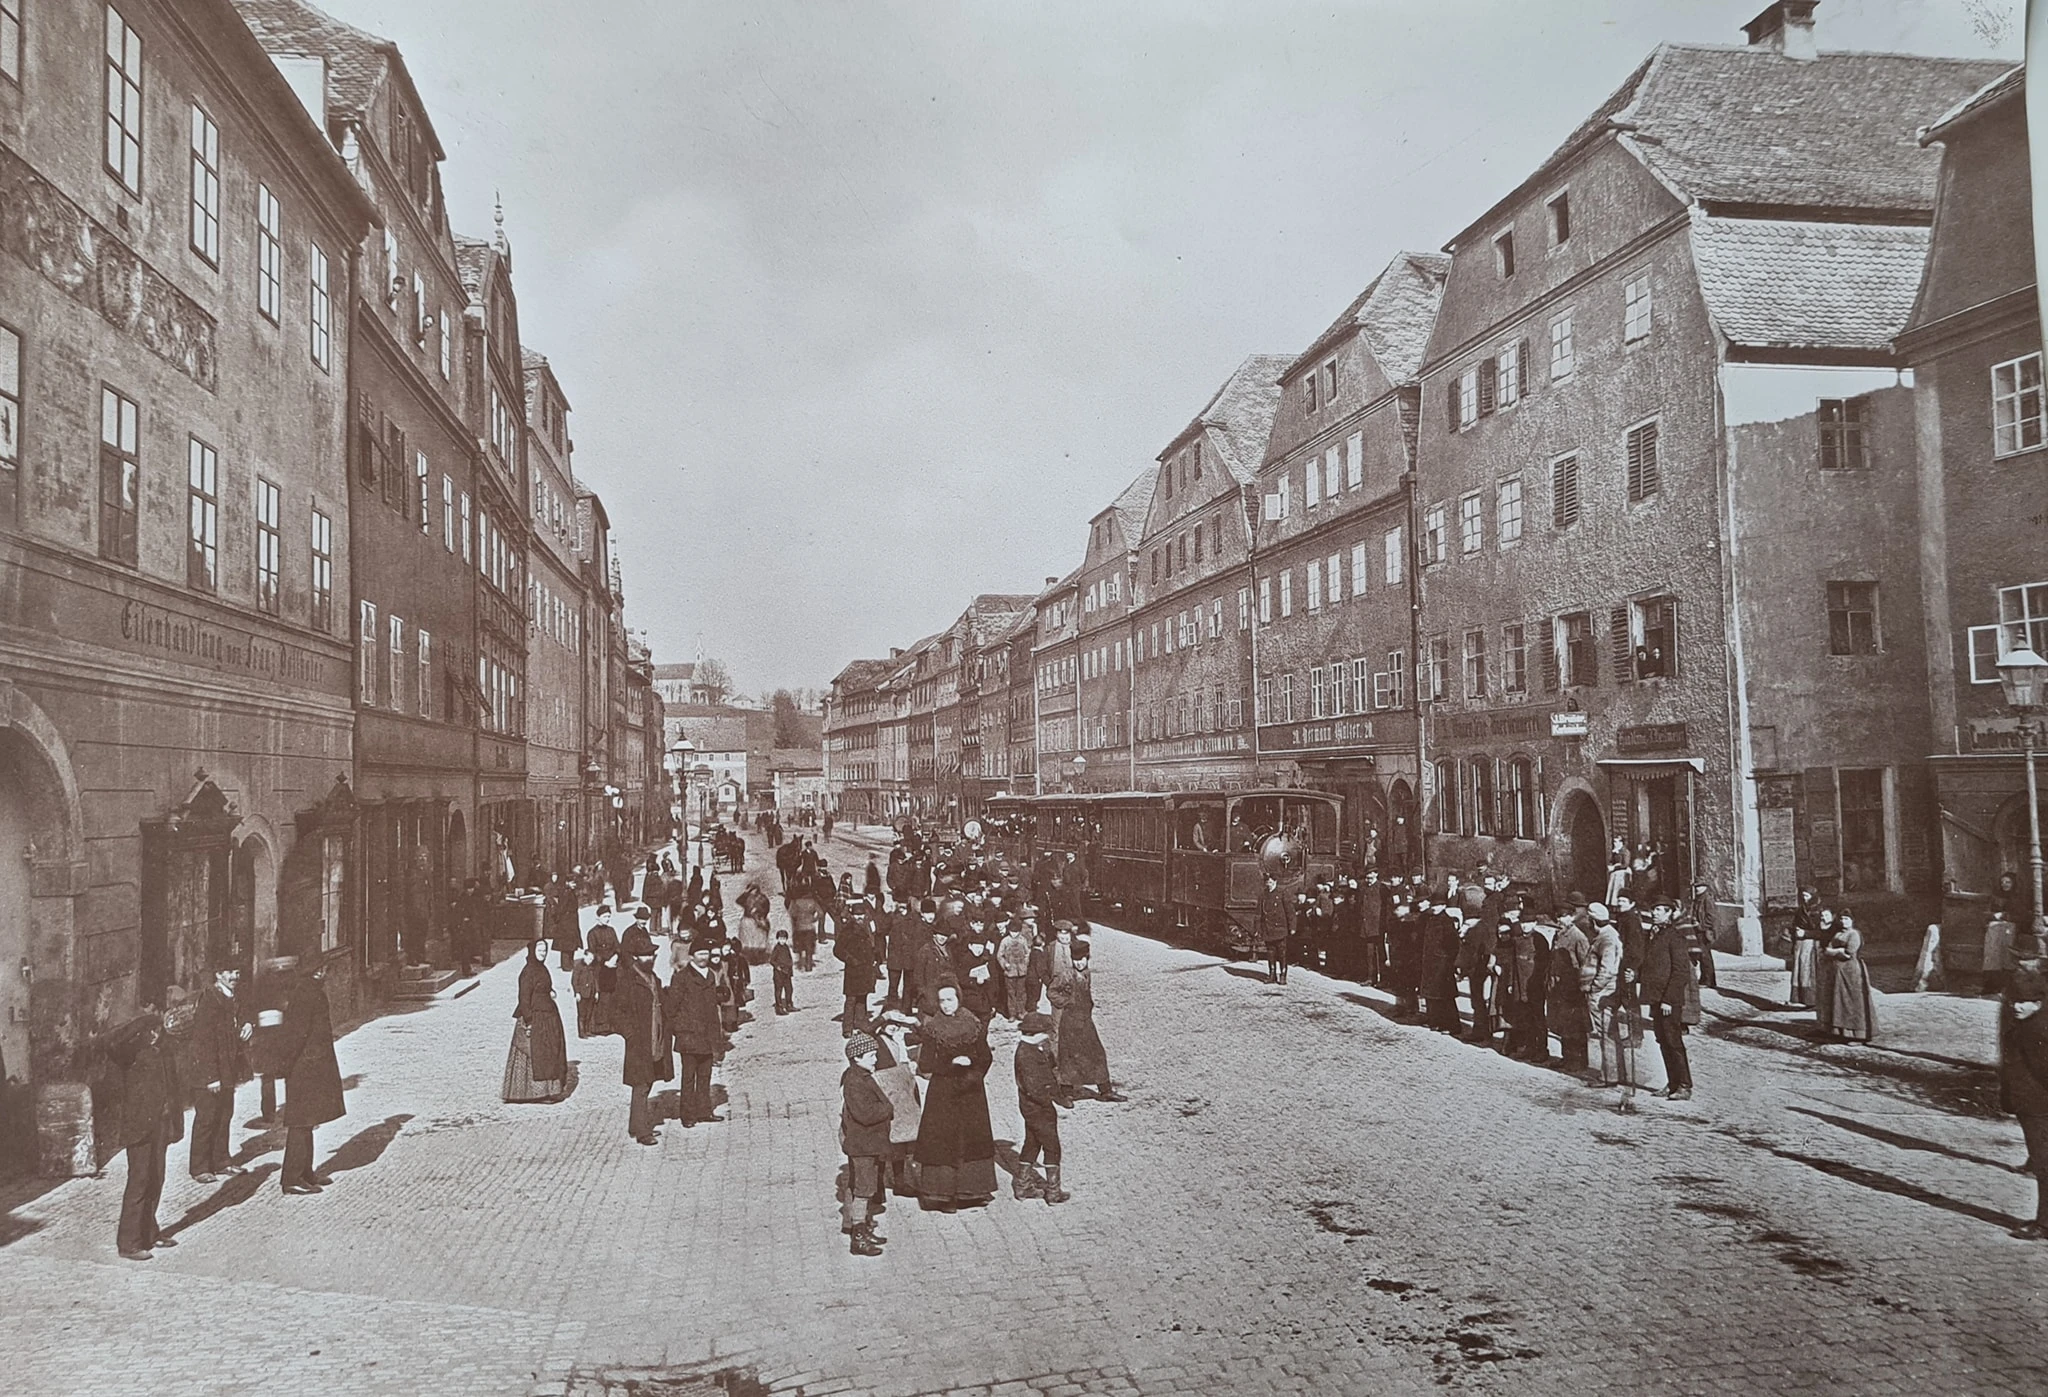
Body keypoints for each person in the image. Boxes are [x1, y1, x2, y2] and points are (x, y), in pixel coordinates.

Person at [98, 1007, 183, 1258]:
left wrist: (175, 1124)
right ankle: (129, 1243)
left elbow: (173, 1087)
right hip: (138, 1127)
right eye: (150, 1031)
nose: (155, 1035)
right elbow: (110, 1043)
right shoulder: (128, 1052)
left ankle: (149, 1233)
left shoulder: (164, 1050)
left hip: (160, 1124)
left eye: (157, 1030)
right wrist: (143, 1021)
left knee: (156, 1178)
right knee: (139, 1181)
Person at [912, 982, 997, 1211]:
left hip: (971, 1092)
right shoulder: (932, 1028)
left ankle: (971, 1191)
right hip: (944, 1092)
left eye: (950, 999)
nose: (946, 1005)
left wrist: (973, 1069)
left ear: (959, 999)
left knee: (971, 1138)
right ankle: (944, 1196)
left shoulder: (973, 1024)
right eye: (942, 1001)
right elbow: (925, 1064)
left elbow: (986, 1057)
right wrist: (950, 1064)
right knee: (945, 1142)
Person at [276, 963, 344, 1193]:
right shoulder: (305, 992)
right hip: (303, 1068)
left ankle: (306, 1172)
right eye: (321, 969)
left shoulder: (310, 990)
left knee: (308, 1121)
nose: (323, 973)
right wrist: (286, 1066)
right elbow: (296, 1034)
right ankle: (292, 1179)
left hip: (311, 1066)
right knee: (300, 1123)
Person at [188, 963, 251, 1182]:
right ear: (218, 974)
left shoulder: (232, 996)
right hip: (209, 1073)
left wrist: (248, 1024)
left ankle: (221, 1161)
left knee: (224, 1115)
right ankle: (199, 1168)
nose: (235, 976)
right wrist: (211, 1077)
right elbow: (202, 1042)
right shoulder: (209, 999)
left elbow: (240, 1017)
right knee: (206, 1119)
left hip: (227, 1069)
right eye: (229, 972)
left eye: (237, 972)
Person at [1999, 960, 2048, 1239]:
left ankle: (2044, 1224)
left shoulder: (2037, 1032)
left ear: (2038, 1002)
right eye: (2014, 1002)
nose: (2016, 1007)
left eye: (2024, 1002)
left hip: (2038, 1106)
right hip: (2030, 1105)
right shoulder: (2026, 1024)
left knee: (2044, 1164)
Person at [1049, 937, 1123, 1104]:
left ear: (1087, 958)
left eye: (1082, 959)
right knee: (1068, 1056)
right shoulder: (1066, 974)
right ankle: (1067, 1093)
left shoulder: (1087, 973)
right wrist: (1066, 1002)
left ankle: (1105, 1091)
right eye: (1076, 960)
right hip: (1069, 1022)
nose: (1079, 963)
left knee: (1096, 1053)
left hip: (1085, 1021)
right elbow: (1051, 992)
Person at [839, 1032, 893, 1256]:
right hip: (862, 1145)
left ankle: (863, 1227)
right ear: (857, 1058)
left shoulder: (861, 1075)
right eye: (871, 1056)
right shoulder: (855, 1082)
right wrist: (887, 1109)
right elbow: (865, 1114)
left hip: (869, 1144)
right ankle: (858, 1238)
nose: (875, 1059)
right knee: (863, 1190)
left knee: (866, 1186)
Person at [616, 927, 670, 1144]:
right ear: (636, 957)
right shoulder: (629, 980)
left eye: (652, 955)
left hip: (655, 1038)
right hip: (639, 1042)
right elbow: (615, 1012)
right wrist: (630, 1033)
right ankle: (642, 1132)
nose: (650, 959)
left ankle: (636, 1125)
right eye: (646, 955)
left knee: (648, 1082)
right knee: (641, 1084)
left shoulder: (653, 978)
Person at [1586, 903, 1641, 1113]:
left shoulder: (1607, 938)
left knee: (1606, 1034)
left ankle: (1609, 1076)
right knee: (1609, 1033)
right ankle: (1615, 1073)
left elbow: (1608, 969)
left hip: (1602, 993)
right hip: (1606, 991)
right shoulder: (1608, 934)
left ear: (1593, 921)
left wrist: (1594, 987)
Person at [1641, 898, 1696, 1101]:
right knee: (1663, 1041)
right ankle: (1672, 1083)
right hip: (1656, 997)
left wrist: (1669, 1000)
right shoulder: (1655, 935)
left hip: (1669, 1000)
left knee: (1673, 1041)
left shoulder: (1675, 937)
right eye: (1654, 909)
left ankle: (1684, 1085)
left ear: (1669, 913)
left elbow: (1681, 972)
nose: (1655, 913)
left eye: (1659, 910)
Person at [1013, 1012, 1068, 1204]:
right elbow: (1034, 1088)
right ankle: (1053, 1191)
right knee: (1052, 1147)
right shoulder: (1027, 1055)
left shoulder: (1031, 1049)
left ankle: (1023, 1186)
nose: (1048, 1036)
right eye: (1045, 1033)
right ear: (1036, 1033)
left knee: (1032, 1142)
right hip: (1038, 1108)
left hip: (1031, 1108)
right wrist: (1050, 1100)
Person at [505, 939, 569, 1103]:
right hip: (536, 1017)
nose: (542, 953)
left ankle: (550, 1090)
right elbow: (524, 998)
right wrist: (529, 1020)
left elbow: (543, 987)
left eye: (544, 951)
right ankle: (535, 1093)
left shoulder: (542, 968)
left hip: (548, 1015)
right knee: (538, 1053)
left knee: (550, 1051)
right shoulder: (528, 972)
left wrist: (550, 992)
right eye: (540, 950)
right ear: (532, 951)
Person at [667, 943, 724, 1126]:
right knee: (689, 1076)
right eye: (700, 953)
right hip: (689, 1035)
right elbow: (672, 1006)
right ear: (691, 956)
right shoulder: (682, 977)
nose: (704, 957)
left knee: (705, 1074)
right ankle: (688, 1115)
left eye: (706, 953)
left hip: (707, 1034)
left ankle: (704, 1111)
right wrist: (680, 1029)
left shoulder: (710, 975)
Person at [1547, 905, 1594, 1072]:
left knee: (1576, 1026)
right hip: (1558, 986)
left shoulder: (1578, 937)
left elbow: (1586, 963)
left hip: (1573, 988)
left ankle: (1579, 1061)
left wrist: (1583, 985)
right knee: (1563, 1024)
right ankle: (1566, 1057)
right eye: (1558, 916)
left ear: (1572, 917)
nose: (1560, 920)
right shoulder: (1558, 934)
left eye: (1564, 916)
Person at [1820, 911, 1877, 1044]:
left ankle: (1858, 1035)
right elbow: (1827, 949)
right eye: (1841, 919)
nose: (1843, 922)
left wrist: (1836, 951)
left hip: (1851, 973)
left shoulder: (1854, 934)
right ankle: (1840, 1032)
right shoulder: (1838, 934)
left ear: (1852, 920)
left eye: (1846, 919)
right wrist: (1837, 951)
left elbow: (1848, 953)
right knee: (1839, 1000)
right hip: (1838, 973)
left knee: (1853, 1002)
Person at [1788, 888, 1826, 1007]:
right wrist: (1794, 931)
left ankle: (1812, 1000)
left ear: (1813, 896)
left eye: (1807, 896)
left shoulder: (1819, 910)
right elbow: (1794, 924)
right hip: (1800, 944)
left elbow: (1823, 931)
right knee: (1799, 971)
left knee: (1809, 972)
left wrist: (1805, 933)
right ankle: (1800, 998)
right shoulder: (1800, 909)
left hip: (1812, 945)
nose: (1805, 898)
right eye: (1803, 895)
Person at [1258, 874, 1295, 985]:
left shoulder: (1282, 893)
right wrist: (1257, 928)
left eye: (1270, 882)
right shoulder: (1263, 895)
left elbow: (1290, 911)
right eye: (1267, 882)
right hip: (1268, 928)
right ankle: (1272, 974)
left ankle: (1283, 975)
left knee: (1282, 953)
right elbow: (1258, 913)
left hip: (1280, 928)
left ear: (1275, 882)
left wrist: (1292, 927)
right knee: (1270, 953)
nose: (1268, 884)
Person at [998, 917, 1033, 1020]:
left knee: (1021, 992)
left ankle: (1020, 1011)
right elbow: (999, 955)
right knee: (1011, 993)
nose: (1014, 934)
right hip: (1010, 972)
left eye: (1016, 932)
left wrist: (1025, 963)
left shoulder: (1023, 940)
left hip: (1021, 971)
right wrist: (1005, 964)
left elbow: (1027, 953)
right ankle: (1012, 1014)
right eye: (1012, 932)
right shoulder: (1005, 941)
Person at [546, 874, 581, 971]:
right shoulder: (566, 892)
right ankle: (566, 965)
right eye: (572, 883)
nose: (574, 885)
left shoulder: (570, 892)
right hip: (566, 921)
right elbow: (561, 907)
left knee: (571, 943)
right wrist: (560, 918)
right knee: (566, 944)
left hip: (571, 920)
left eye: (575, 883)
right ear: (567, 883)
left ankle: (570, 963)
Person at [571, 949, 600, 1038]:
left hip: (591, 993)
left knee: (589, 1013)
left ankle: (587, 1030)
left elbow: (595, 980)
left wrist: (597, 991)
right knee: (582, 1014)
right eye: (589, 958)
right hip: (582, 994)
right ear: (585, 956)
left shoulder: (593, 967)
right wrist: (577, 992)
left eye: (592, 959)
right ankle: (581, 1032)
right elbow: (574, 981)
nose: (590, 961)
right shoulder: (579, 966)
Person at [770, 931, 796, 1015]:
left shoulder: (786, 947)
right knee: (778, 991)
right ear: (777, 939)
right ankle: (779, 1008)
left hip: (787, 973)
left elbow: (789, 958)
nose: (782, 940)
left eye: (784, 939)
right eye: (780, 938)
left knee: (789, 989)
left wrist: (790, 969)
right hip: (779, 974)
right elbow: (772, 960)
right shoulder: (776, 948)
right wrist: (778, 967)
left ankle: (789, 1005)